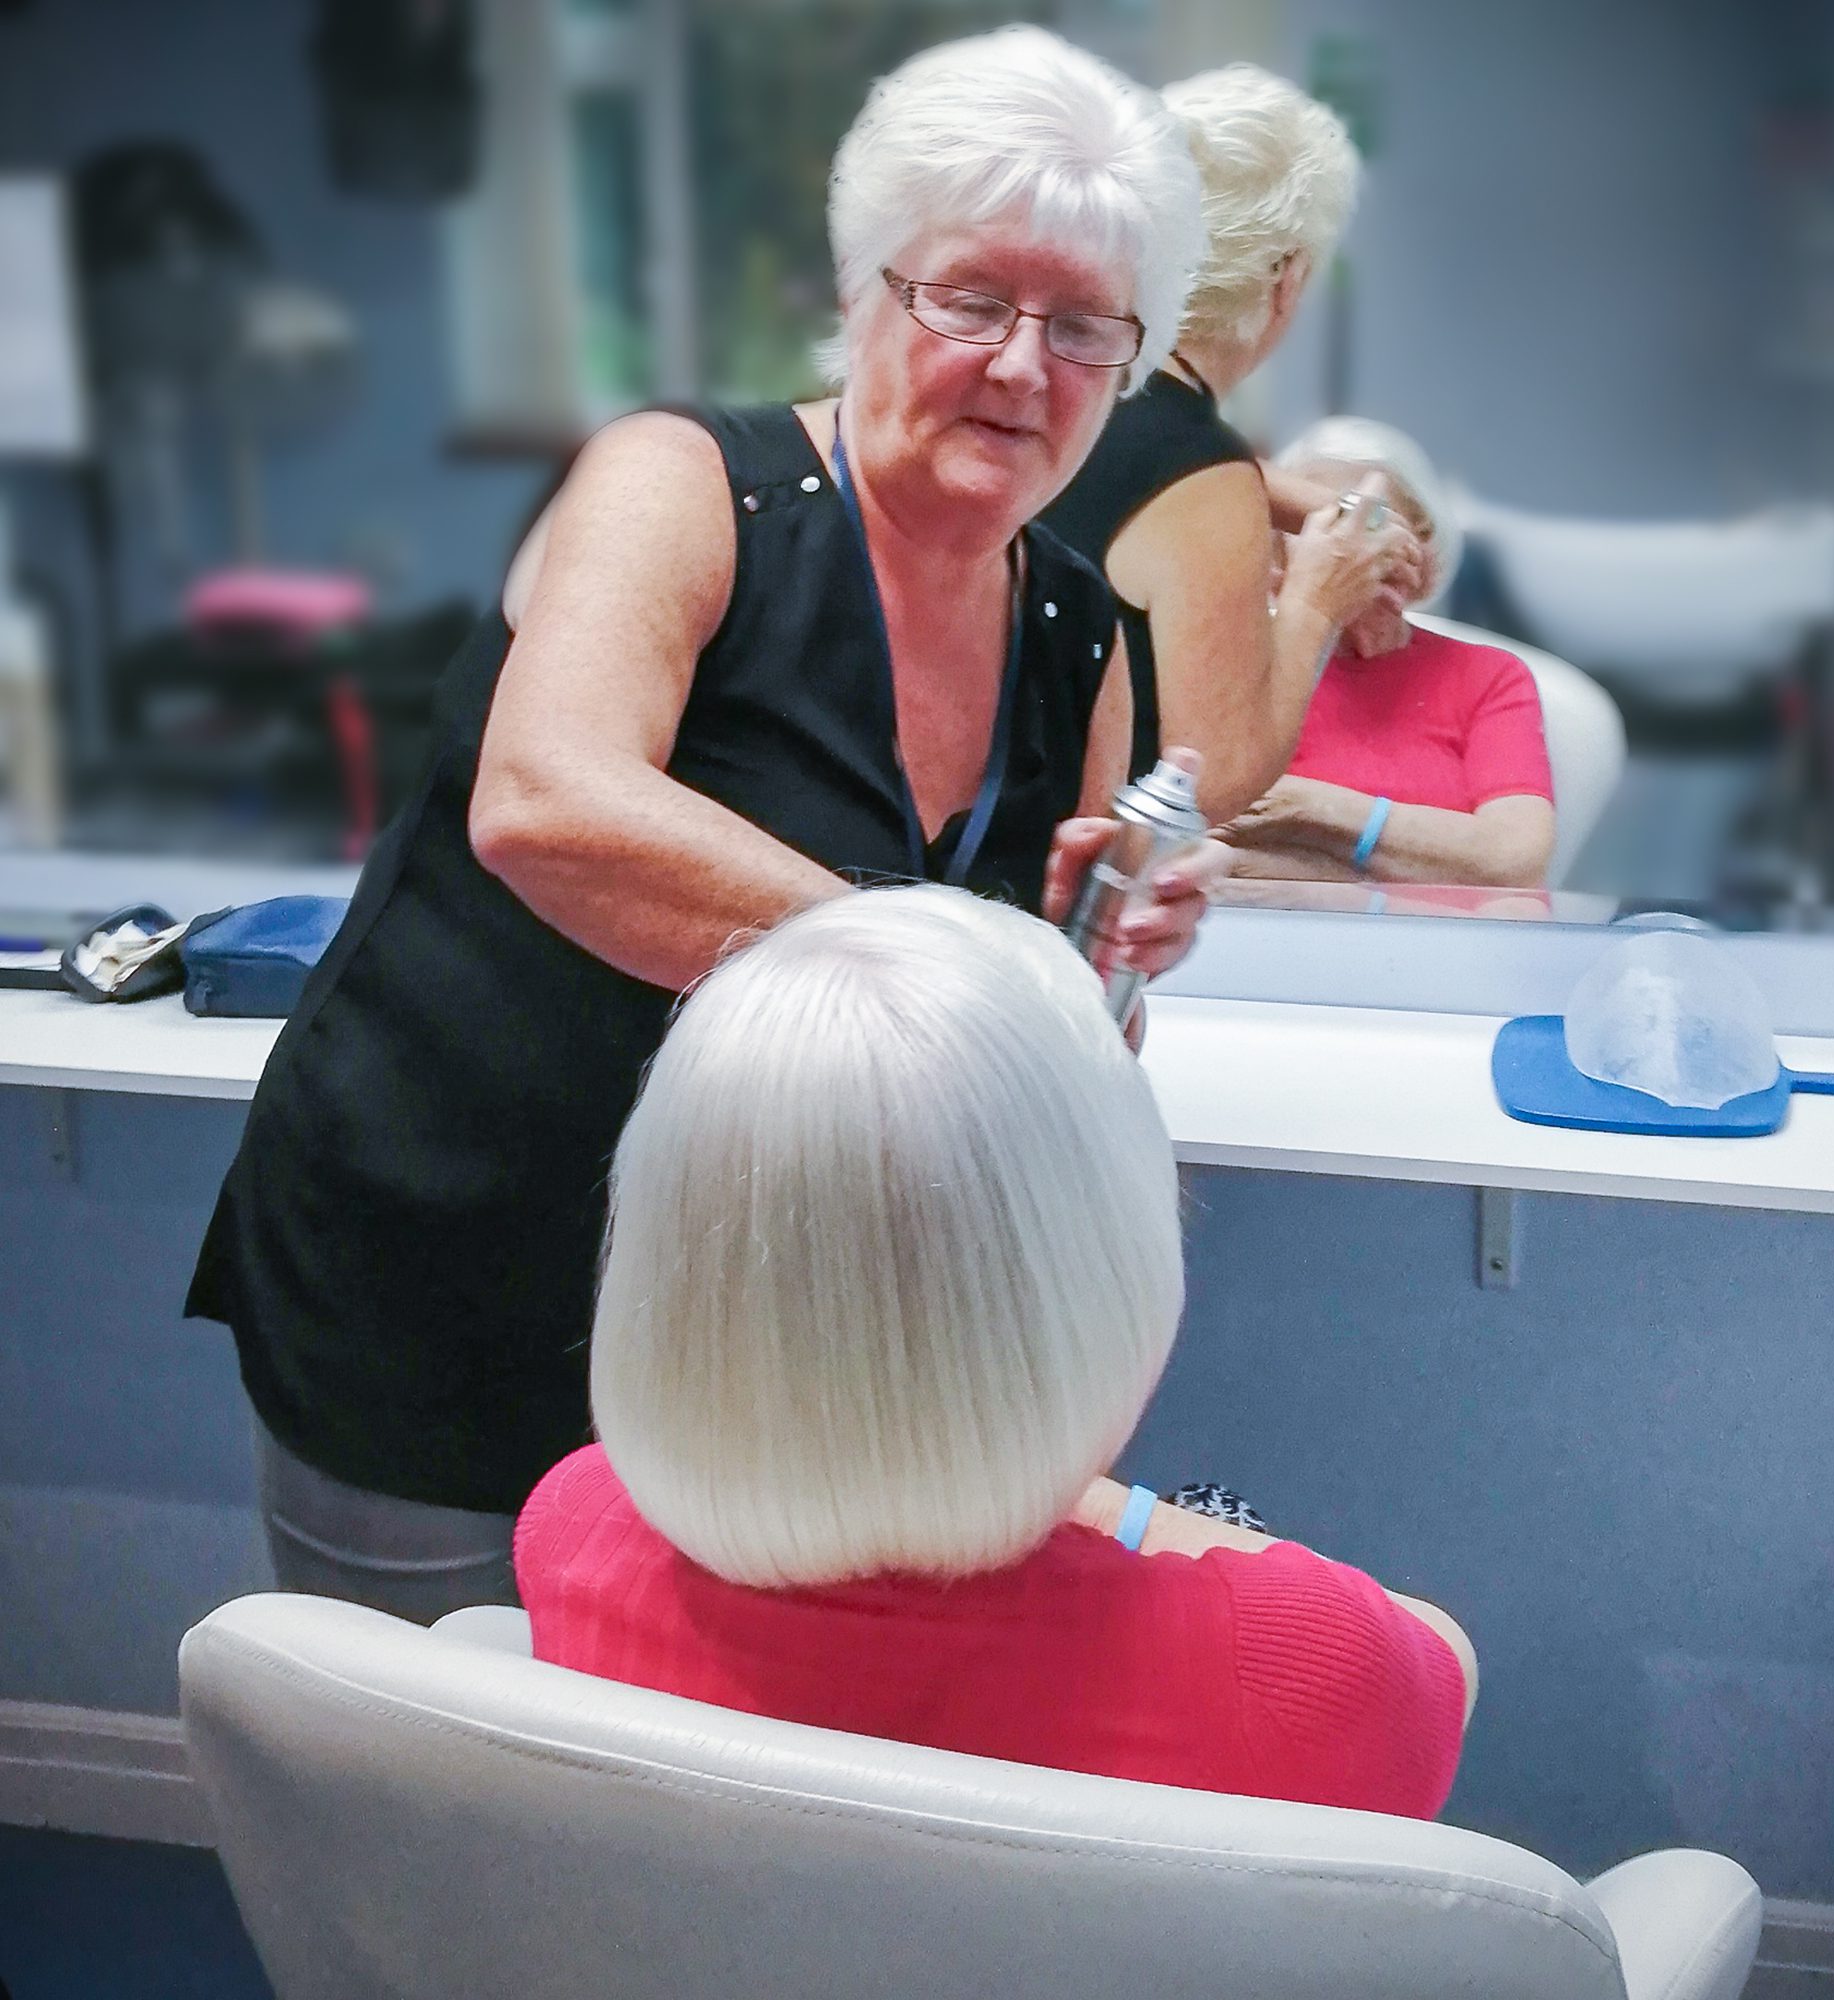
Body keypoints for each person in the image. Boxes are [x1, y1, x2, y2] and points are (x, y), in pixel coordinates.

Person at [185, 27, 1235, 1621]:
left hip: (780, 1336)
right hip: (456, 1261)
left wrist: (1114, 965)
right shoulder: (684, 487)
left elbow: (1050, 1048)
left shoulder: (1078, 632)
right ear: (861, 290)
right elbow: (546, 805)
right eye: (968, 300)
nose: (1023, 366)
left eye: (1086, 328)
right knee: (432, 1793)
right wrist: (954, 964)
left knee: (678, 1829)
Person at [519, 885, 1476, 1816]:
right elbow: (1438, 1655)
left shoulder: (576, 1527)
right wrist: (1111, 1505)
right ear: (1104, 1280)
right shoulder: (1307, 1675)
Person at [1040, 63, 1422, 823]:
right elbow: (1206, 784)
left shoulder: (1058, 377)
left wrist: (1287, 495)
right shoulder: (1200, 475)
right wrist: (1318, 597)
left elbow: (1130, 470)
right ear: (1287, 282)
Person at [1220, 417, 1558, 889]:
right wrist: (1418, 861)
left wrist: (1308, 810)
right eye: (1329, 526)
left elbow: (1513, 861)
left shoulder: (1489, 677)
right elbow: (1205, 841)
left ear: (1420, 548)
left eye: (1375, 522)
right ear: (1277, 552)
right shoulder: (1229, 657)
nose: (1354, 546)